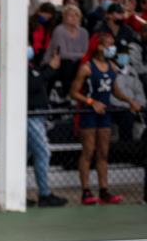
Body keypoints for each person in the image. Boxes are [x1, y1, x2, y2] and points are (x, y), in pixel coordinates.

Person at [69, 31, 142, 205]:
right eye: (108, 44)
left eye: (112, 44)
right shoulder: (87, 67)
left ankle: (104, 190)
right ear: (99, 46)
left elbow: (114, 90)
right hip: (89, 114)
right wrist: (91, 102)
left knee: (103, 153)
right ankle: (86, 191)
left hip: (104, 114)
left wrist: (129, 100)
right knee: (88, 151)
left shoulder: (111, 67)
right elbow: (73, 92)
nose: (112, 48)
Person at [27, 45, 68, 207]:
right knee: (44, 152)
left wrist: (50, 66)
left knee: (25, 155)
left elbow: (39, 76)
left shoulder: (31, 68)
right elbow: (33, 84)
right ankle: (44, 194)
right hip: (30, 116)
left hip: (38, 116)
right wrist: (50, 68)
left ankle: (21, 194)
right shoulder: (19, 69)